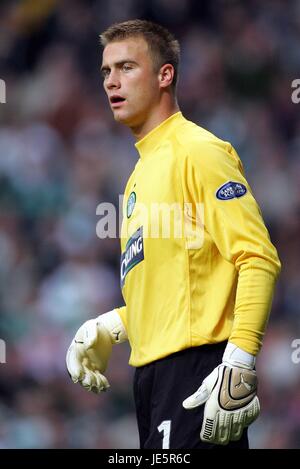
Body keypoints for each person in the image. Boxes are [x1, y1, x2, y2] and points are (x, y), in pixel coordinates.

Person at [66, 19, 281, 449]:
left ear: (165, 75)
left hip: (196, 373)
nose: (112, 81)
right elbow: (178, 291)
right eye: (106, 71)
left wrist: (240, 359)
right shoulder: (136, 179)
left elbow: (257, 257)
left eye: (127, 67)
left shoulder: (198, 151)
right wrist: (112, 324)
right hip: (151, 383)